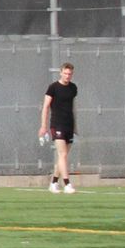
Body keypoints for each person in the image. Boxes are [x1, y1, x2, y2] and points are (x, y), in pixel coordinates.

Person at [39, 62, 78, 193]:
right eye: (65, 73)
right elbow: (45, 107)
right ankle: (67, 184)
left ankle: (54, 182)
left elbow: (73, 107)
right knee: (62, 154)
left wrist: (76, 127)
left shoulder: (73, 88)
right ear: (61, 73)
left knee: (63, 156)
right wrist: (43, 126)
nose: (67, 76)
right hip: (57, 124)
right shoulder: (53, 87)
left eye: (70, 74)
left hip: (69, 125)